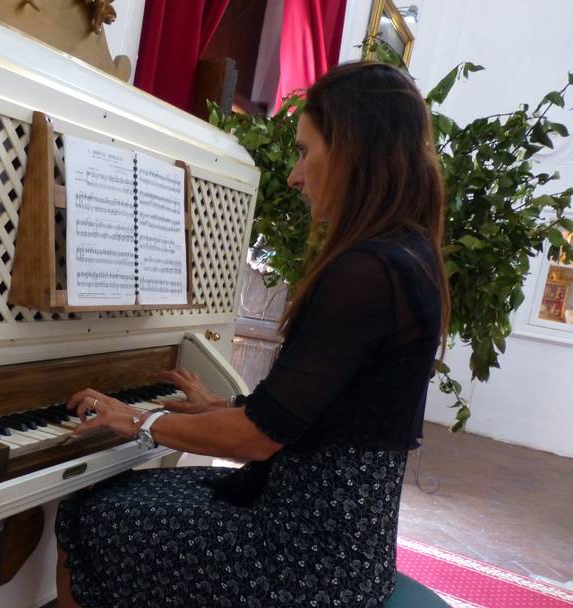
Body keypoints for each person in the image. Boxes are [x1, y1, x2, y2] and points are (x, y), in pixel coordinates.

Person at [53, 61, 451, 608]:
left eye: (305, 151)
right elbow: (328, 412)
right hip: (343, 541)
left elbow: (256, 439)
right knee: (115, 507)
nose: (293, 174)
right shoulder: (405, 253)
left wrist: (138, 418)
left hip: (307, 558)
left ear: (354, 152)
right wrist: (222, 406)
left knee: (91, 514)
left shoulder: (367, 270)